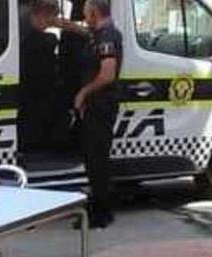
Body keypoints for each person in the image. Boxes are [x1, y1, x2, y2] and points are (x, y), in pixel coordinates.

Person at [56, 0, 123, 228]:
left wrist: (83, 93)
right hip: (94, 106)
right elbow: (83, 31)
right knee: (92, 157)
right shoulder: (99, 33)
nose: (84, 19)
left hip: (101, 105)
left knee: (98, 159)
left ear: (94, 12)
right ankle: (98, 205)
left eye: (86, 14)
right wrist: (59, 23)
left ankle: (102, 213)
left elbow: (107, 74)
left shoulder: (107, 37)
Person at [19, 0, 65, 155]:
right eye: (51, 18)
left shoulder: (23, 33)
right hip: (36, 88)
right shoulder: (44, 39)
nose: (51, 22)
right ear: (40, 15)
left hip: (33, 87)